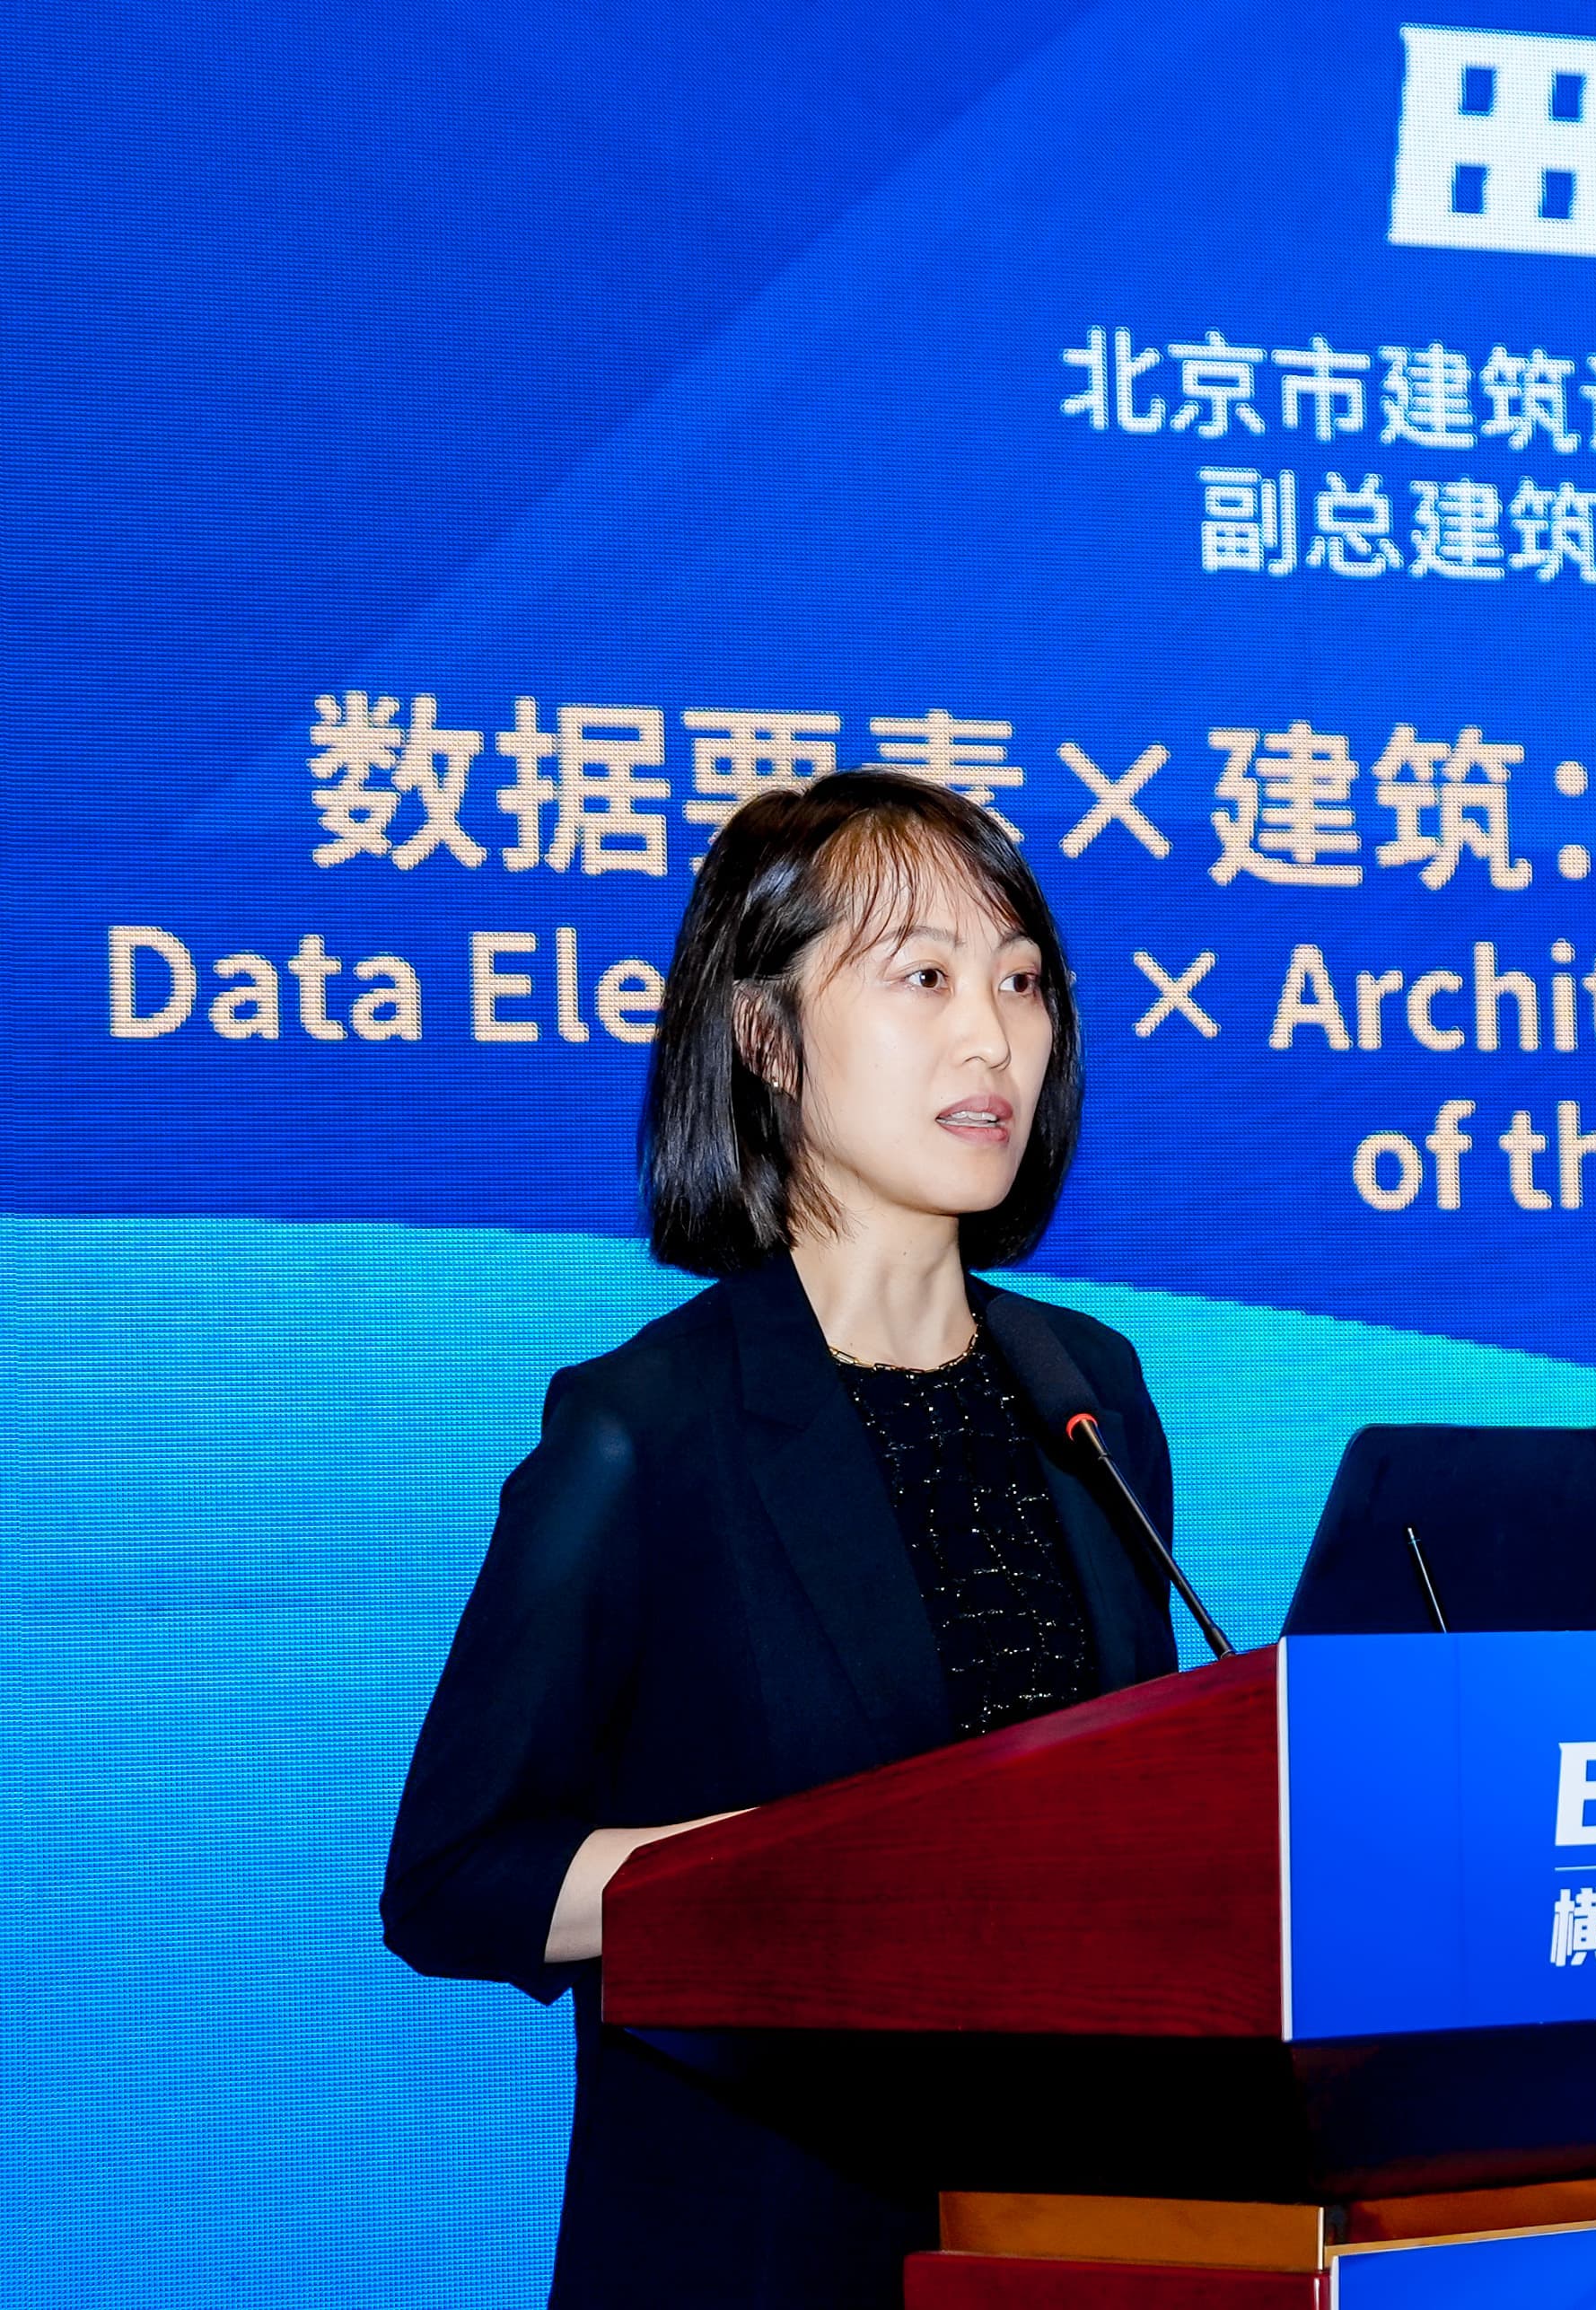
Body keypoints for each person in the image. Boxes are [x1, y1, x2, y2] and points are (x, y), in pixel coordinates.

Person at [381, 772, 1183, 2307]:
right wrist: (796, 1869)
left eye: (1022, 980)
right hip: (765, 2247)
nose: (992, 1035)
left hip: (1070, 2231)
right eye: (924, 978)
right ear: (764, 1035)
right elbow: (457, 1876)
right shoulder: (646, 1426)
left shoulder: (1089, 1391)